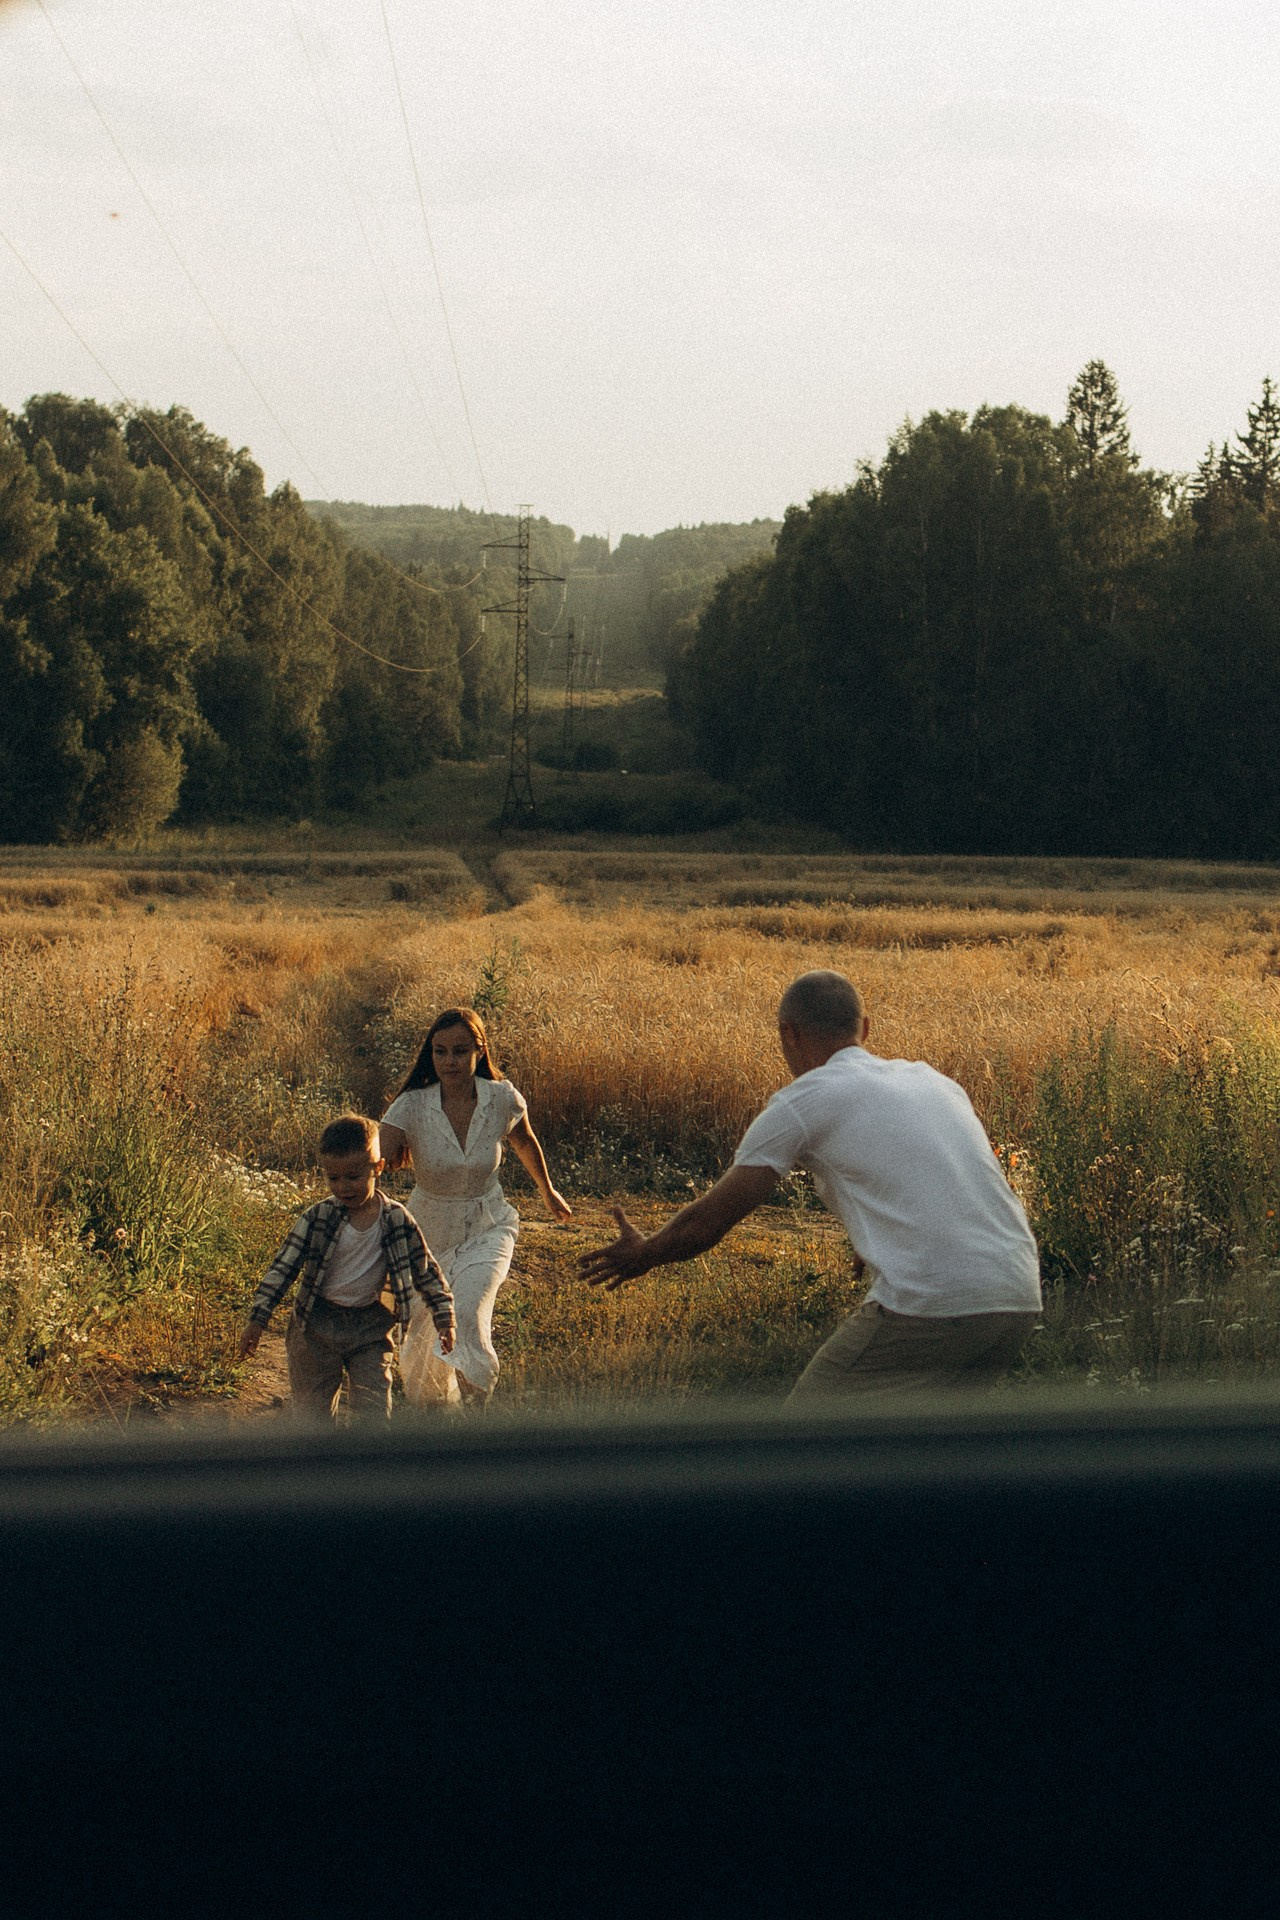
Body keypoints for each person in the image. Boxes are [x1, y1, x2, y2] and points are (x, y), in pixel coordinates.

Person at [579, 969, 1042, 1395]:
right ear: (865, 1028)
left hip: (933, 1301)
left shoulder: (803, 1101)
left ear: (789, 1034)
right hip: (1016, 1293)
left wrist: (644, 1254)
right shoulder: (935, 1082)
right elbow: (944, 1178)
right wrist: (874, 1238)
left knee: (806, 1436)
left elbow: (710, 1222)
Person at [380, 1007, 572, 1410]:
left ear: (479, 1052)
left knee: (467, 1310)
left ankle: (479, 1415)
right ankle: (440, 1420)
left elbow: (524, 1141)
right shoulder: (412, 1106)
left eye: (460, 1051)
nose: (449, 1061)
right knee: (426, 1328)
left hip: (489, 1225)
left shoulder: (501, 1098)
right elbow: (372, 1159)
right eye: (440, 1051)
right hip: (428, 1234)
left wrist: (548, 1191)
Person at [238, 1113, 455, 1421]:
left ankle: (366, 1467)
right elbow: (282, 1269)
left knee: (374, 1412)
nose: (343, 1187)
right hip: (316, 1327)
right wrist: (257, 1320)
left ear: (377, 1168)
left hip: (370, 1328)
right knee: (313, 1419)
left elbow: (426, 1271)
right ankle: (322, 1464)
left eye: (353, 1177)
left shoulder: (396, 1220)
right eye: (333, 1178)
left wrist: (445, 1318)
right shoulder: (317, 1218)